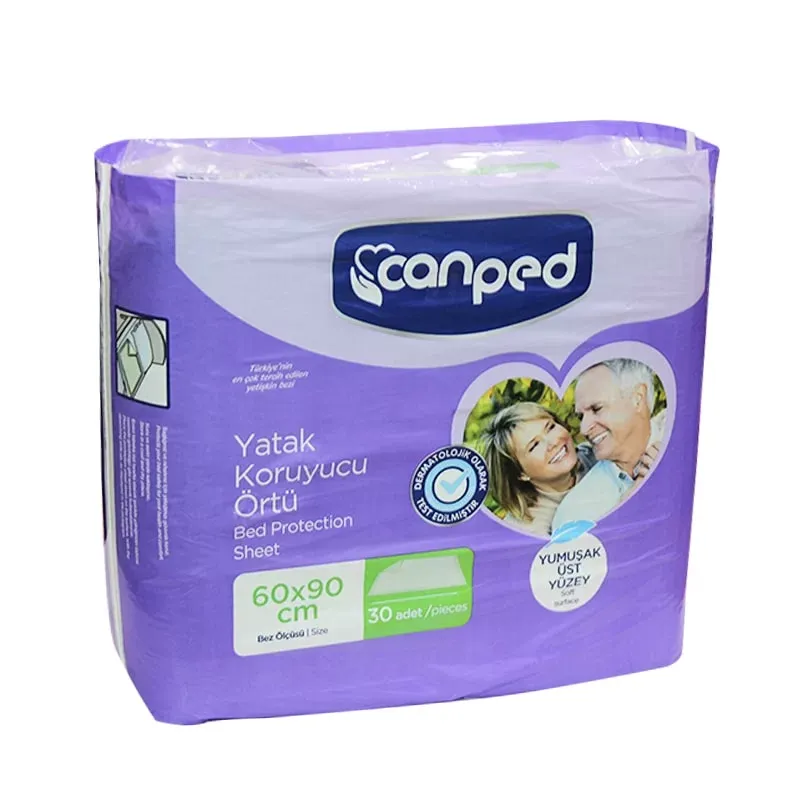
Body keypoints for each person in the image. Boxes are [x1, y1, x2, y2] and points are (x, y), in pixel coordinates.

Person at [551, 359, 665, 532]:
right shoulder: (574, 512)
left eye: (597, 409)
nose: (584, 429)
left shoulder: (690, 444)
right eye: (581, 416)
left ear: (637, 398)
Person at [479, 402, 596, 537]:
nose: (553, 442)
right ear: (520, 473)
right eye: (535, 445)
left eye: (550, 427)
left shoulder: (598, 456)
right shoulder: (529, 532)